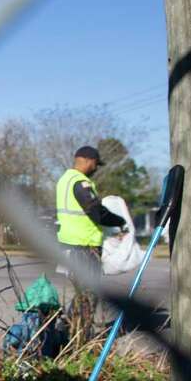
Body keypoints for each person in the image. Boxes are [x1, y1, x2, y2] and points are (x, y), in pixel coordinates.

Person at [55, 145, 127, 339]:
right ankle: (78, 338)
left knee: (82, 296)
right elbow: (96, 212)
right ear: (87, 160)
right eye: (95, 164)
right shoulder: (80, 182)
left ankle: (67, 334)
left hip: (70, 245)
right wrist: (120, 221)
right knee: (88, 295)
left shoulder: (64, 180)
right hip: (84, 248)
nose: (96, 169)